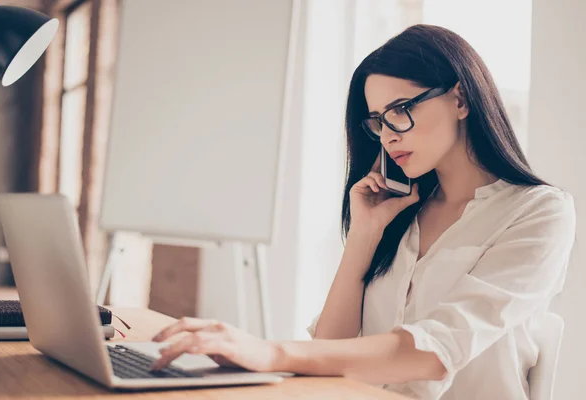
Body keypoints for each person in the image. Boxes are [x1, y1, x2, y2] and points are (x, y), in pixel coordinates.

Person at [149, 24, 576, 400]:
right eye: (378, 121)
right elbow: (332, 343)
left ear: (460, 98)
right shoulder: (399, 211)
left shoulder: (539, 214)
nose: (388, 136)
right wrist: (364, 236)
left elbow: (436, 351)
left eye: (401, 112)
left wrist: (269, 351)